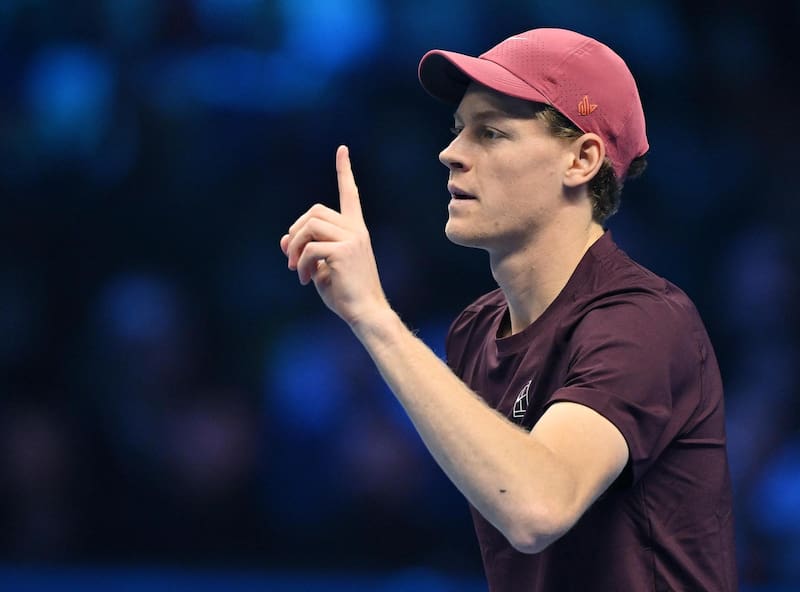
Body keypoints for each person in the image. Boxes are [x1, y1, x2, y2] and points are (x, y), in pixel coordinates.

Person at [280, 27, 737, 591]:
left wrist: (372, 314)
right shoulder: (474, 331)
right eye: (457, 131)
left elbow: (538, 508)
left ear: (581, 159)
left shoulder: (646, 321)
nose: (450, 153)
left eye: (491, 132)